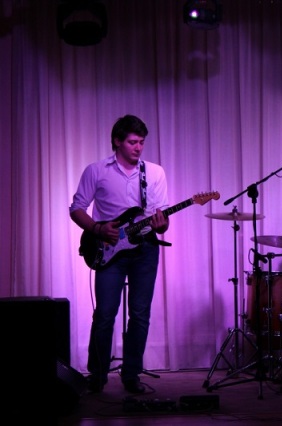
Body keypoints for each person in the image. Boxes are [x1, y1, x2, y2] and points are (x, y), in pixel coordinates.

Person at [70, 114, 170, 394]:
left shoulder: (154, 173)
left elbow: (161, 218)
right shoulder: (96, 170)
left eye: (141, 142)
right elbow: (77, 208)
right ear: (117, 141)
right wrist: (98, 228)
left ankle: (131, 375)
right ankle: (97, 375)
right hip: (109, 248)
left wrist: (162, 225)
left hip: (145, 248)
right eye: (132, 142)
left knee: (140, 314)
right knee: (105, 313)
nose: (138, 147)